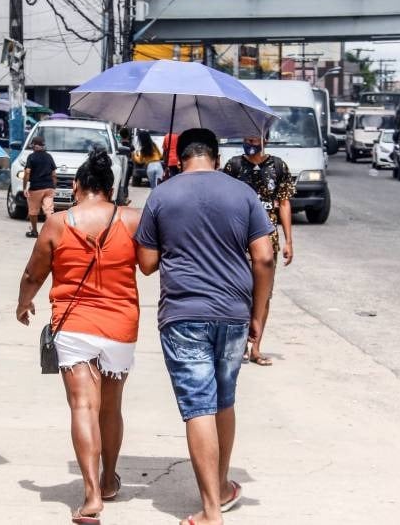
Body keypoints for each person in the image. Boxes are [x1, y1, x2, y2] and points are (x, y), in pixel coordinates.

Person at [135, 129, 275, 525]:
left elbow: (145, 264)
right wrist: (258, 315)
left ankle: (212, 510)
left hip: (183, 313)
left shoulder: (163, 194)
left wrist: (170, 235)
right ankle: (225, 484)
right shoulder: (242, 193)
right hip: (233, 312)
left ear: (179, 157)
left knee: (199, 405)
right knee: (224, 400)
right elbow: (263, 258)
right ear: (215, 156)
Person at [17, 148, 141, 524]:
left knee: (83, 407)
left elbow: (33, 274)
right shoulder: (133, 219)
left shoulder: (57, 223)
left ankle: (90, 498)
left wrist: (23, 304)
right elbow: (151, 264)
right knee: (111, 407)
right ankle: (108, 479)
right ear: (111, 188)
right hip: (121, 325)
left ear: (77, 186)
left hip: (74, 324)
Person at [224, 133, 295, 366]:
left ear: (264, 141)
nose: (250, 144)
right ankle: (239, 345)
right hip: (237, 240)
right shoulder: (233, 167)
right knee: (239, 292)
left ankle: (256, 347)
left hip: (268, 240)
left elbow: (284, 203)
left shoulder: (278, 166)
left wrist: (289, 241)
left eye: (254, 140)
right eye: (247, 139)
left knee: (263, 296)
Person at [23, 136, 58, 238]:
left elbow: (27, 173)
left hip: (35, 188)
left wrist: (25, 187)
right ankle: (50, 233)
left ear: (34, 145)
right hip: (49, 188)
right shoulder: (49, 157)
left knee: (33, 211)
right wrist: (53, 187)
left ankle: (34, 231)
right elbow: (54, 174)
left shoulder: (31, 157)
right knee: (49, 210)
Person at [118, 127, 134, 204]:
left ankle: (122, 197)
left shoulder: (118, 145)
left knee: (120, 181)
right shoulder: (131, 146)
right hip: (128, 166)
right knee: (126, 182)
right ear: (128, 135)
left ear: (120, 135)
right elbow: (133, 157)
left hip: (119, 165)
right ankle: (125, 197)